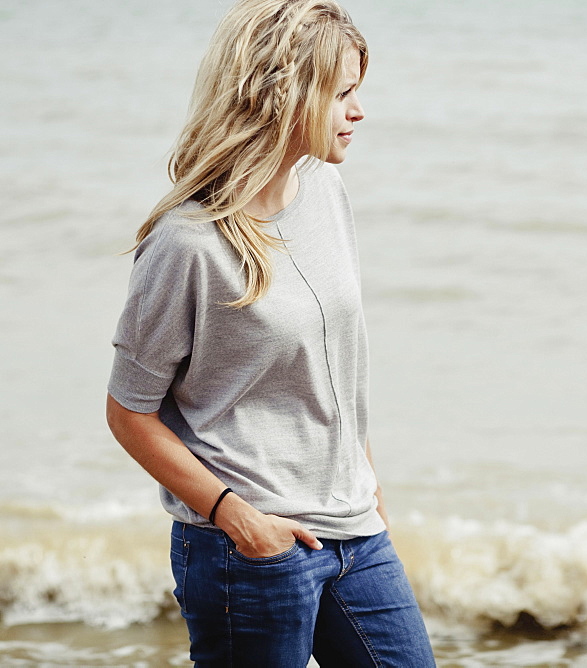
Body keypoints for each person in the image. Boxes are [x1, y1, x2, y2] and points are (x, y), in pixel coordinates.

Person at [104, 1, 436, 665]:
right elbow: (128, 413)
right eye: (342, 94)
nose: (359, 111)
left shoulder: (325, 191)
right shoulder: (187, 244)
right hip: (253, 548)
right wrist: (238, 518)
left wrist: (367, 493)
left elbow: (333, 369)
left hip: (355, 531)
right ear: (288, 98)